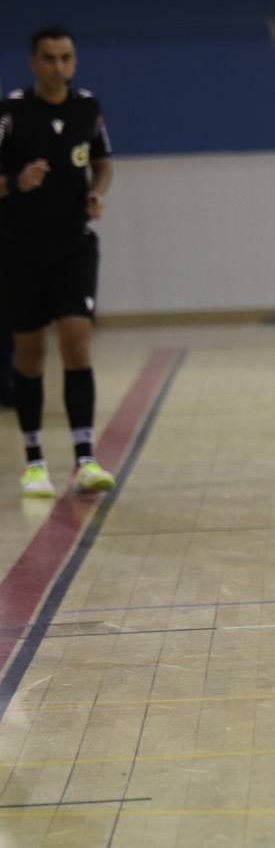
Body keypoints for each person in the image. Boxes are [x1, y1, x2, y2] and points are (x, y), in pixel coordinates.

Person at [0, 25, 115, 497]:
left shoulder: (87, 106)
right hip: (19, 248)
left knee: (76, 337)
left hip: (74, 245)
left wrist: (97, 193)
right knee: (29, 353)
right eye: (48, 58)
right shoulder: (11, 112)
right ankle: (33, 461)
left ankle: (85, 458)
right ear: (33, 63)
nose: (58, 67)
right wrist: (16, 182)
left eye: (66, 57)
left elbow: (103, 162)